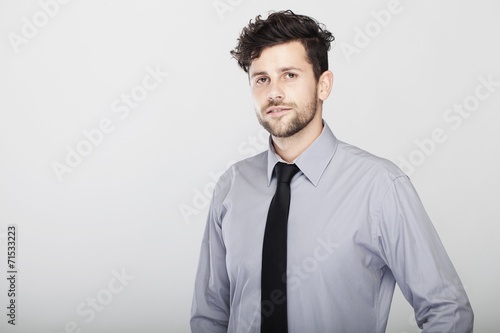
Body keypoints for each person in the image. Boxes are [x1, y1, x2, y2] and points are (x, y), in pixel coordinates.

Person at [190, 10, 473, 333]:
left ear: (323, 85)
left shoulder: (380, 187)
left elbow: (446, 310)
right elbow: (209, 314)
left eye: (290, 75)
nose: (274, 93)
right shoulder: (232, 186)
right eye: (262, 79)